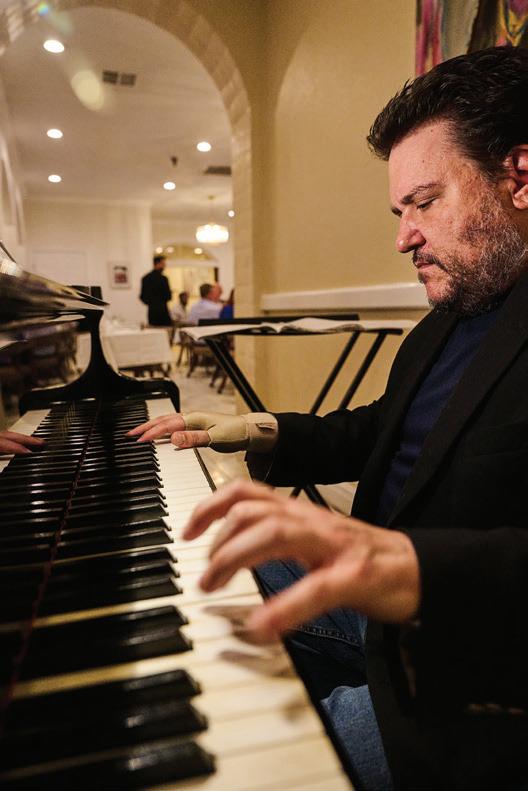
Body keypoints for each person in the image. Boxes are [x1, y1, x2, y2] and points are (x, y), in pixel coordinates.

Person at [128, 47, 528, 790]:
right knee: (200, 572)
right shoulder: (449, 318)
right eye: (399, 212)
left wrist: (411, 566)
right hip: (377, 619)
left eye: (425, 202)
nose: (403, 237)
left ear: (520, 177)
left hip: (467, 665)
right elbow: (383, 429)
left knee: (244, 758)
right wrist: (261, 429)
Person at [139, 255, 172, 326]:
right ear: (157, 263)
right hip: (163, 311)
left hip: (152, 311)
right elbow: (169, 296)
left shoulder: (146, 278)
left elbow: (142, 297)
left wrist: (151, 303)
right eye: (163, 264)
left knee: (154, 330)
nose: (164, 266)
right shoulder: (164, 279)